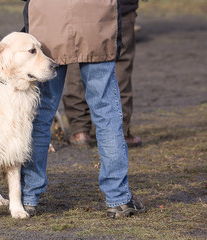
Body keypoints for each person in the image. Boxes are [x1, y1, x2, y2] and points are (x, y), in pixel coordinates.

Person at [20, 0, 145, 218]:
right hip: (97, 23)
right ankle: (118, 198)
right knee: (107, 114)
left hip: (48, 24)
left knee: (40, 117)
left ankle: (28, 197)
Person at [63, 0, 142, 148]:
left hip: (73, 9)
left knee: (75, 58)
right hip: (119, 7)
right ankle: (121, 132)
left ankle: (80, 131)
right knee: (120, 64)